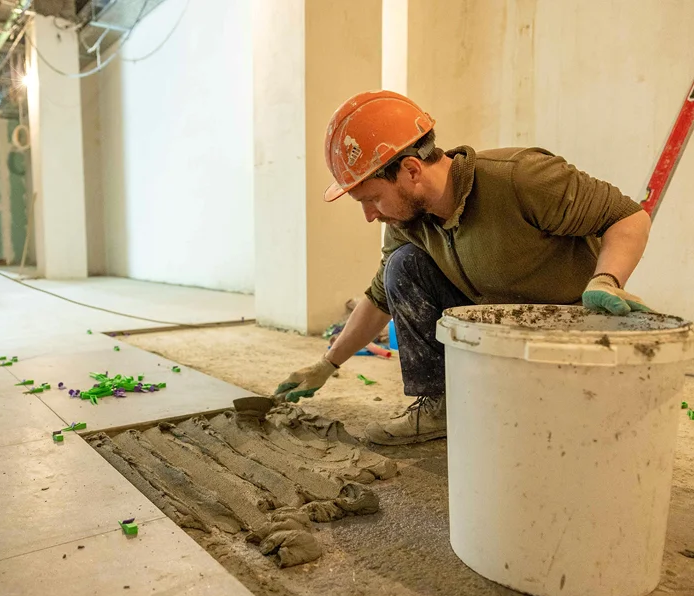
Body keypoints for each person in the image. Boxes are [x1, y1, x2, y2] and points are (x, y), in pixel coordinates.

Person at [274, 90, 653, 446]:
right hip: (493, 323)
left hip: (563, 326)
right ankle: (440, 405)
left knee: (562, 431)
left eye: (372, 198)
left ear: (410, 170)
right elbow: (379, 298)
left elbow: (627, 217)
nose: (369, 215)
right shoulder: (407, 222)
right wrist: (326, 365)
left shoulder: (520, 177)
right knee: (402, 267)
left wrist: (607, 278)